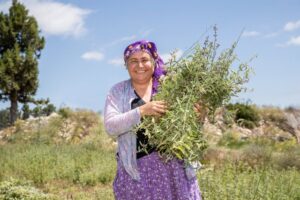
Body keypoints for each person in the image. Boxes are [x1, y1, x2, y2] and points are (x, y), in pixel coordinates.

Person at [104, 40, 202, 199]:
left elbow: (190, 126)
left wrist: (199, 116)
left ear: (154, 62)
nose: (140, 65)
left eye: (144, 60)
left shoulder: (171, 86)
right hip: (136, 173)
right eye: (133, 61)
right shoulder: (118, 91)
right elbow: (110, 126)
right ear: (126, 65)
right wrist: (142, 111)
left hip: (175, 170)